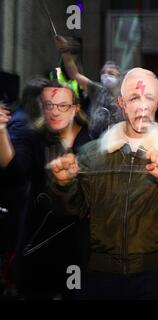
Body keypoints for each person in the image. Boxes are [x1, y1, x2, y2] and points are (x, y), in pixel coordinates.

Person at [48, 68, 158, 300]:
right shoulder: (92, 155)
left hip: (152, 277)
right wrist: (64, 186)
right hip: (99, 276)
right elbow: (71, 210)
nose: (142, 106)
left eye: (149, 98)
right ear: (122, 102)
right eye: (134, 97)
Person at [0, 79, 91, 299]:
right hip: (38, 236)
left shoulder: (89, 140)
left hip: (75, 238)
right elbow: (14, 169)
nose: (55, 111)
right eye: (49, 105)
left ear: (75, 108)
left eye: (62, 105)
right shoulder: (35, 136)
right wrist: (1, 131)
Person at [55, 35, 123, 139]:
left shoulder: (126, 95)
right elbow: (74, 74)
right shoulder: (97, 90)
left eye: (110, 73)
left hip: (118, 142)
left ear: (119, 76)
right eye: (103, 73)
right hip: (94, 140)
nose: (106, 75)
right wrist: (65, 51)